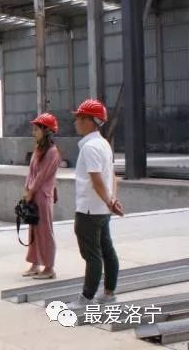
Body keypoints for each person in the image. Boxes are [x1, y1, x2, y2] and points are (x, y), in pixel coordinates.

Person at [67, 99, 124, 310]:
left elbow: (97, 179)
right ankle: (109, 293)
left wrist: (109, 200)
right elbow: (112, 176)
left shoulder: (90, 148)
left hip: (89, 209)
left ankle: (87, 297)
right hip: (102, 209)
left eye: (79, 118)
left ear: (90, 121)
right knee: (107, 250)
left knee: (92, 255)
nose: (76, 122)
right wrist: (112, 200)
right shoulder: (104, 144)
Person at [22, 113, 61, 280]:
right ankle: (35, 263)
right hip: (34, 195)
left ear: (47, 131)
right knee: (34, 230)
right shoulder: (38, 149)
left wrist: (30, 191)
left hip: (42, 197)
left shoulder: (52, 152)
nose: (33, 132)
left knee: (45, 231)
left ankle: (49, 267)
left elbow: (41, 176)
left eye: (36, 129)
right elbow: (31, 173)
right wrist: (27, 190)